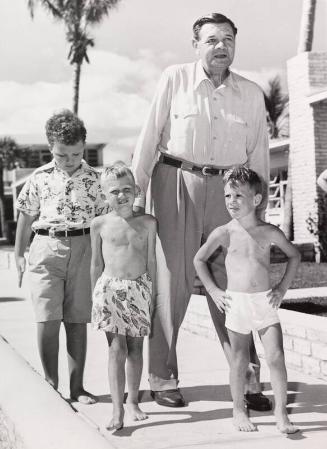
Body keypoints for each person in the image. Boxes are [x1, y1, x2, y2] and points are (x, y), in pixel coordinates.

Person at [132, 12, 271, 410]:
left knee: (236, 284)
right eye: (211, 39)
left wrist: (255, 213)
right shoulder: (175, 78)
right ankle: (162, 379)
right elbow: (149, 135)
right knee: (173, 282)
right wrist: (137, 194)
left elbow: (259, 153)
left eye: (227, 39)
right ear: (196, 45)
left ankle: (245, 380)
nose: (220, 46)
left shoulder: (251, 92)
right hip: (176, 181)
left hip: (232, 190)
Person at [194, 166, 300, 433]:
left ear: (256, 199)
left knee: (275, 357)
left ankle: (281, 412)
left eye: (239, 196)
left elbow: (294, 255)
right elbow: (199, 260)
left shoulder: (269, 231)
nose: (232, 202)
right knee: (239, 361)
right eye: (228, 196)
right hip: (237, 304)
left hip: (264, 303)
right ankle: (239, 410)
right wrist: (215, 291)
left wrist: (282, 288)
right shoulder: (224, 232)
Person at [14, 109, 106, 404]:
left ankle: (77, 387)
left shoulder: (95, 179)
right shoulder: (39, 178)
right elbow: (26, 218)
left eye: (75, 154)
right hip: (45, 249)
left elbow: (105, 223)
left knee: (77, 320)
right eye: (61, 155)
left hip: (84, 248)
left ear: (83, 146)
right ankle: (50, 385)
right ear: (51, 147)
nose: (69, 161)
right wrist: (18, 255)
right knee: (47, 318)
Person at [91, 163, 157, 431]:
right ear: (104, 195)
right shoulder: (99, 224)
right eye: (114, 191)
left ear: (136, 190)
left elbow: (151, 259)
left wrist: (152, 292)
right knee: (116, 349)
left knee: (136, 349)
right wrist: (93, 297)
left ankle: (133, 400)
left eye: (126, 190)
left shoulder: (148, 222)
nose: (121, 195)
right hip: (109, 291)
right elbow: (96, 264)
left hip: (139, 288)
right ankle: (117, 409)